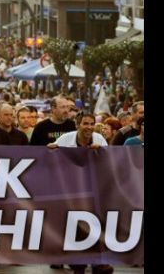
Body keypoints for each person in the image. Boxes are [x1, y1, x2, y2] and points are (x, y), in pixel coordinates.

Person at [47, 113, 114, 274]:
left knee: (95, 227)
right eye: (85, 124)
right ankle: (78, 265)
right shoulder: (64, 139)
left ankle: (98, 263)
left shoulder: (99, 139)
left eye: (91, 124)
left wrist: (102, 152)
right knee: (75, 228)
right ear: (78, 124)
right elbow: (51, 161)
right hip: (71, 191)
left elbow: (108, 164)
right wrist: (50, 150)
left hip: (93, 190)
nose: (89, 127)